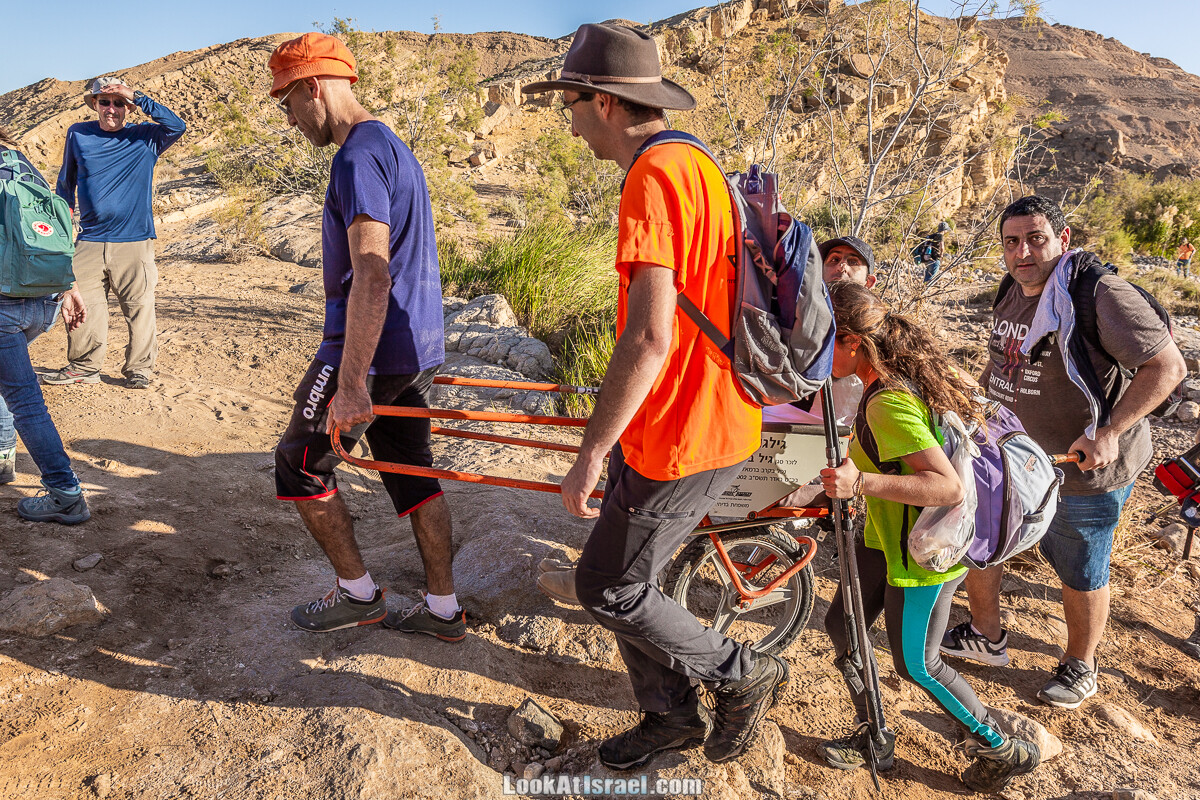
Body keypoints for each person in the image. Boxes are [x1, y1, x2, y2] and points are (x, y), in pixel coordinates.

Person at [522, 23, 788, 771]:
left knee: (606, 586)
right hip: (709, 415)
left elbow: (647, 340)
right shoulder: (698, 162)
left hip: (685, 430)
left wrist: (589, 452)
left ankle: (744, 675)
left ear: (603, 102)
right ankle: (668, 719)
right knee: (624, 573)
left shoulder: (650, 179)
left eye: (569, 103)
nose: (568, 121)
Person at [940, 195, 1186, 709]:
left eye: (1036, 238)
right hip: (1012, 457)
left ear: (1063, 238)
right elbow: (1003, 362)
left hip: (1084, 467)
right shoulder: (1012, 289)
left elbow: (1167, 368)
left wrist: (1110, 430)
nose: (1023, 252)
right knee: (985, 539)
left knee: (1081, 566)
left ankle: (1081, 665)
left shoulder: (1102, 296)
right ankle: (987, 636)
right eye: (1012, 242)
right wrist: (973, 407)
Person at [267, 33, 462, 641]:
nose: (290, 117)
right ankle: (443, 610)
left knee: (298, 464)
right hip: (413, 348)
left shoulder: (355, 156)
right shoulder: (393, 146)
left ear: (312, 87)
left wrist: (351, 380)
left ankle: (358, 595)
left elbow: (372, 271)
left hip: (370, 354)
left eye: (286, 102)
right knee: (412, 472)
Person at [818, 280, 1040, 793]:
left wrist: (861, 482)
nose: (817, 350)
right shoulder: (898, 374)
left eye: (824, 337)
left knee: (918, 663)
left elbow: (946, 486)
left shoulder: (886, 402)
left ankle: (1001, 747)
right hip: (883, 538)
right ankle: (874, 733)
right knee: (844, 627)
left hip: (922, 556)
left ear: (852, 340)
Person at [47, 77, 186, 390]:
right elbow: (65, 184)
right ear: (95, 104)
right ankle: (84, 366)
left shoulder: (146, 137)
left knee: (139, 308)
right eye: (105, 101)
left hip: (134, 241)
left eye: (119, 103)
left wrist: (136, 95)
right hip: (89, 240)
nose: (111, 108)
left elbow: (177, 125)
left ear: (128, 107)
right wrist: (61, 227)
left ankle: (139, 370)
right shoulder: (78, 134)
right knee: (83, 305)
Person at [0, 125, 91, 523]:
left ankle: (65, 493)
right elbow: (51, 230)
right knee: (11, 385)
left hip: (4, 306)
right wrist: (68, 287)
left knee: (25, 401)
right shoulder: (20, 164)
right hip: (42, 302)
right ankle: (4, 457)